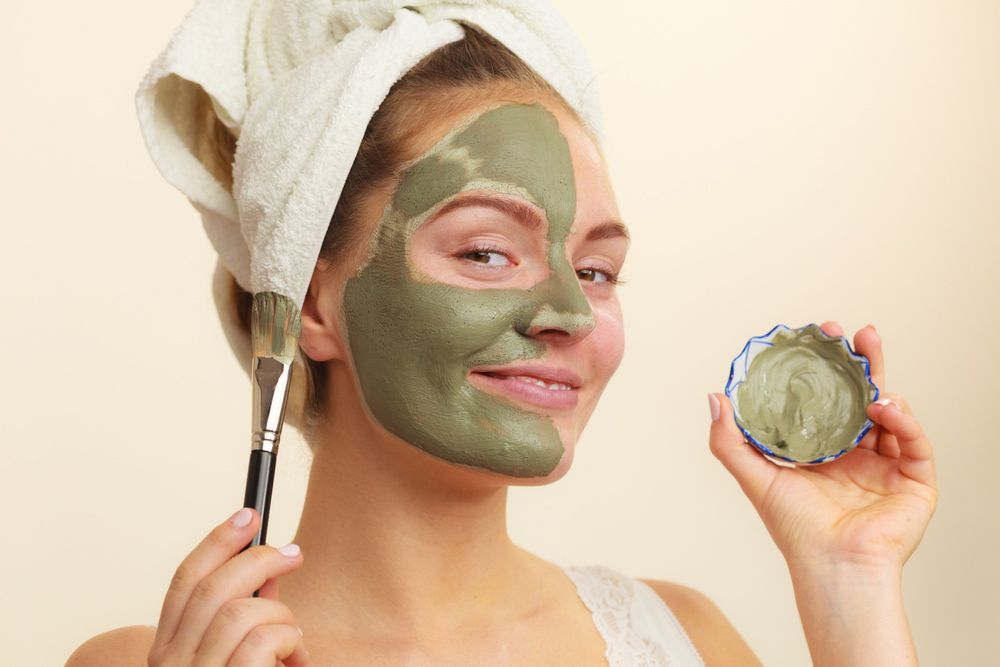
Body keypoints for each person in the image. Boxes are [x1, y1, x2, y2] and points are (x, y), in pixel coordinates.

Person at [68, 12, 937, 667]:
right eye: (487, 251)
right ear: (309, 305)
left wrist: (849, 581)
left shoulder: (686, 643)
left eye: (596, 271)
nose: (568, 308)